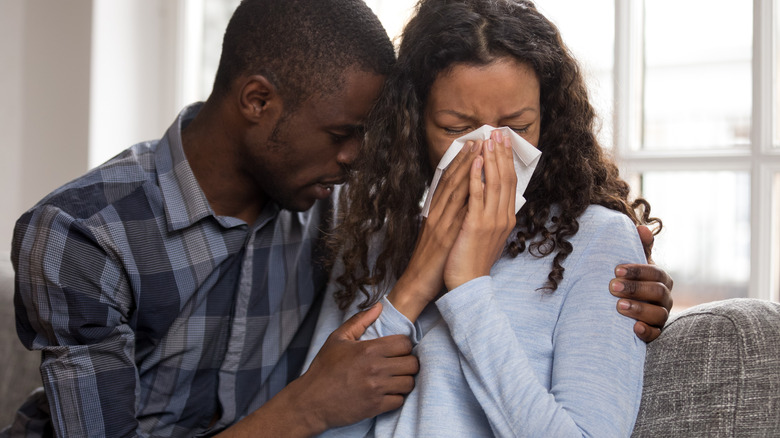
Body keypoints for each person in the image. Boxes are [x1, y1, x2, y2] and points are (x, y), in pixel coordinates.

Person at [5, 0, 670, 437]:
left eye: (518, 126)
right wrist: (305, 406)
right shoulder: (83, 234)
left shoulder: (333, 203)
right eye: (343, 134)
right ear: (258, 101)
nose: (357, 159)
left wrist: (628, 284)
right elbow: (335, 401)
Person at [302, 0, 659, 435]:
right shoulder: (377, 232)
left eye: (518, 126)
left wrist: (469, 288)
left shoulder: (598, 240)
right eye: (456, 129)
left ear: (549, 119)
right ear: (413, 124)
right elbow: (319, 421)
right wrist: (413, 285)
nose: (490, 151)